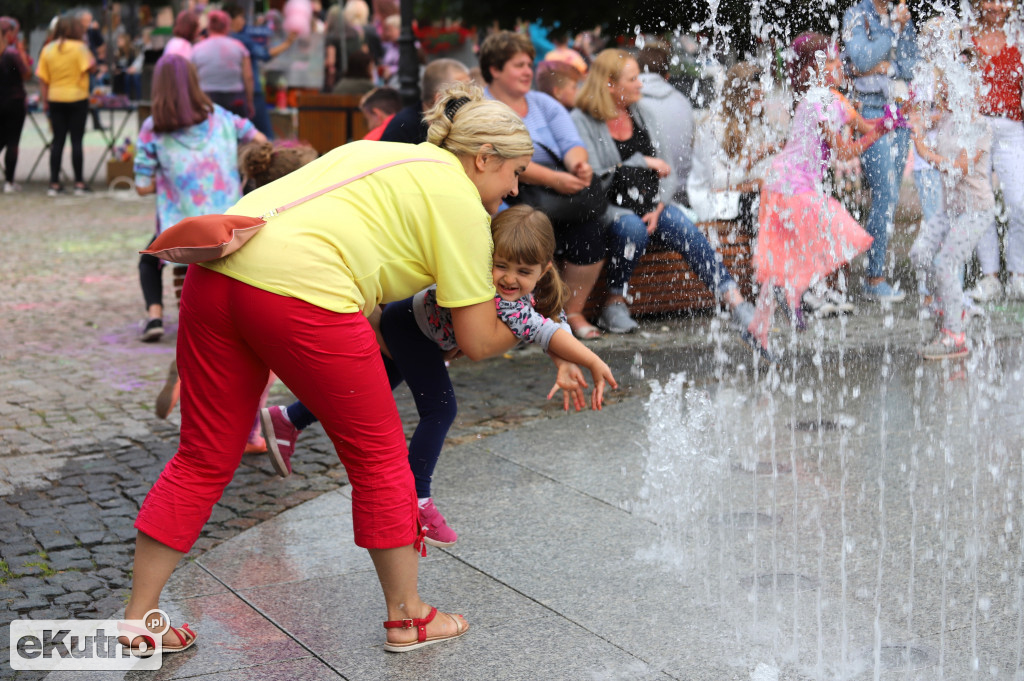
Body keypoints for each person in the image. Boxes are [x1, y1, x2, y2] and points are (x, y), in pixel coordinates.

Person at [120, 82, 535, 654]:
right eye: (513, 172)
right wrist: (533, 317)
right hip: (300, 293)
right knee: (382, 458)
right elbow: (479, 340)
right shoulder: (463, 204)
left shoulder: (382, 150)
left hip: (215, 270)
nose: (513, 188)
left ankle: (137, 620)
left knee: (202, 455)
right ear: (482, 158)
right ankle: (408, 617)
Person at [260, 205, 617, 548]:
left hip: (415, 328)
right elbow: (544, 331)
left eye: (523, 271)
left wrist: (563, 361)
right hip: (411, 329)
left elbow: (552, 322)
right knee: (441, 410)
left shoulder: (524, 292)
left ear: (543, 270)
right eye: (501, 265)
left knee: (373, 386)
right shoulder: (498, 295)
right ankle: (416, 500)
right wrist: (592, 362)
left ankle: (288, 418)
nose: (509, 278)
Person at [571, 49, 765, 355]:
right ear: (609, 84)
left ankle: (734, 301)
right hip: (608, 207)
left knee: (684, 227)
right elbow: (595, 177)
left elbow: (668, 169)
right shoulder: (582, 121)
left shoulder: (641, 113)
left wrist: (659, 204)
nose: (641, 85)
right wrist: (641, 162)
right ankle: (614, 301)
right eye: (632, 79)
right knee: (632, 228)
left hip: (651, 204)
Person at [747, 34, 880, 348]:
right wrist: (884, 130)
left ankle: (758, 330)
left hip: (779, 184)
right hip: (792, 187)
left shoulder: (830, 98)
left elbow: (863, 124)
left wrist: (890, 121)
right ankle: (793, 291)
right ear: (811, 68)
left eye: (836, 59)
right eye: (831, 61)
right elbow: (845, 153)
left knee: (783, 255)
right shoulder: (820, 101)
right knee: (840, 229)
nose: (839, 65)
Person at [481, 31, 606, 341]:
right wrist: (556, 179)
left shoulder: (542, 103)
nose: (527, 72)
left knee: (590, 230)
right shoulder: (484, 105)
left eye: (528, 64)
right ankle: (518, 317)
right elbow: (501, 156)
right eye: (518, 65)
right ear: (495, 69)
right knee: (520, 235)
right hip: (512, 195)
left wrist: (578, 164)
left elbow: (571, 142)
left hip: (556, 197)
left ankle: (571, 312)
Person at [133, 54, 265, 345]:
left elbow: (142, 186)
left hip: (184, 229)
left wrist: (174, 179)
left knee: (149, 261)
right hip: (230, 224)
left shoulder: (153, 128)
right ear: (194, 81)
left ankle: (155, 316)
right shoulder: (223, 117)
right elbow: (261, 141)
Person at [910, 50, 994, 359]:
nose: (944, 91)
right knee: (920, 254)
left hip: (976, 211)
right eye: (943, 85)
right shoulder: (944, 119)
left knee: (945, 263)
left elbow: (956, 167)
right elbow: (917, 118)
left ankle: (956, 336)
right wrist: (912, 122)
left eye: (950, 86)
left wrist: (921, 146)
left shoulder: (981, 127)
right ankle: (951, 308)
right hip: (951, 210)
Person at [842, 0, 919, 302]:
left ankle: (875, 273)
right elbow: (860, 60)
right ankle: (874, 277)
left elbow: (913, 63)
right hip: (869, 112)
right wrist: (891, 30)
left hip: (898, 114)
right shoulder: (857, 14)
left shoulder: (902, 13)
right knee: (884, 193)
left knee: (891, 196)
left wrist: (889, 67)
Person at [966, 0, 1024, 302]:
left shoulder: (1020, 36)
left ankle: (1019, 273)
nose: (994, 6)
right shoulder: (965, 35)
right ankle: (990, 276)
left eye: (1002, 0)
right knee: (980, 203)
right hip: (976, 128)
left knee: (1021, 201)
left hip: (1014, 128)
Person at [36, 14, 96, 197]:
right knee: (76, 140)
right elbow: (91, 67)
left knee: (58, 141)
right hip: (77, 97)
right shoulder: (80, 48)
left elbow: (42, 79)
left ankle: (54, 182)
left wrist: (45, 101)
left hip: (55, 98)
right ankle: (79, 182)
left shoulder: (48, 49)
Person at [635, 42, 695, 209]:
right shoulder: (683, 101)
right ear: (667, 75)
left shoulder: (632, 103)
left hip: (651, 197)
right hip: (684, 192)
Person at [225, 2, 297, 139]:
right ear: (231, 19)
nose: (244, 21)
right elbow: (265, 55)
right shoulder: (241, 40)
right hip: (252, 93)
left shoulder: (217, 40)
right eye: (241, 17)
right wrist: (288, 42)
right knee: (266, 135)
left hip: (231, 94)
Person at [379, 58, 469, 144]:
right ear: (440, 98)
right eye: (463, 91)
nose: (472, 97)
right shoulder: (403, 128)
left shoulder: (464, 122)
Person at [190, 10, 253, 119]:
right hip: (235, 99)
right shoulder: (239, 47)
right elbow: (248, 77)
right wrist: (250, 101)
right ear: (227, 27)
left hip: (206, 99)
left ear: (209, 27)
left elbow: (192, 79)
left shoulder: (196, 49)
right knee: (235, 132)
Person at [0, 17, 31, 195]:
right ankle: (9, 181)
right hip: (13, 101)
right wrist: (21, 53)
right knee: (12, 142)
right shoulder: (10, 54)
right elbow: (25, 74)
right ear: (7, 33)